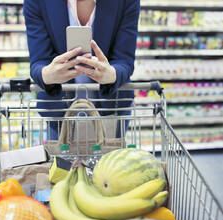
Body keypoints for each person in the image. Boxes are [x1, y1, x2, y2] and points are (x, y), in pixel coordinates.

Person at [23, 0, 140, 140]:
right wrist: (46, 74)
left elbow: (125, 60)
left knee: (110, 161)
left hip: (112, 108)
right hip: (59, 110)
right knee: (61, 161)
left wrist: (113, 74)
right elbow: (38, 61)